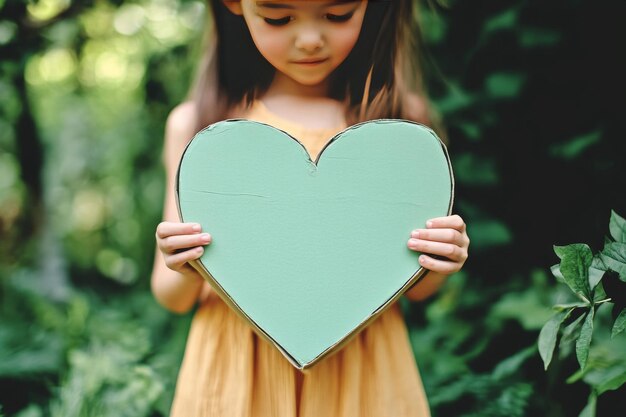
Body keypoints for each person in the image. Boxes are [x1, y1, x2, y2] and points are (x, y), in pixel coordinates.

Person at [151, 1, 470, 416]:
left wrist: (442, 257)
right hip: (236, 374)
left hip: (363, 373)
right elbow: (171, 297)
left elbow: (417, 288)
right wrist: (182, 262)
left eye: (337, 15)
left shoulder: (402, 126)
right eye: (278, 18)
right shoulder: (198, 126)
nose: (309, 39)